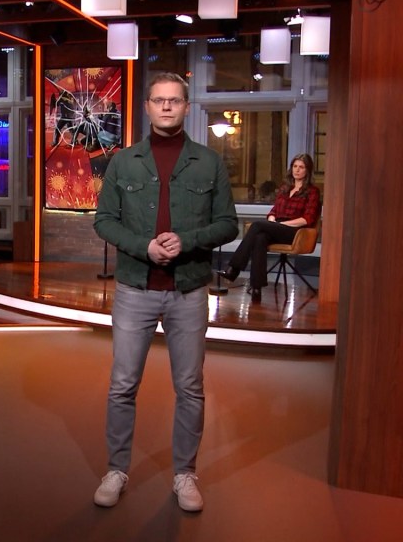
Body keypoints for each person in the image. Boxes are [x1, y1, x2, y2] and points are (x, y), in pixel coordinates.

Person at [92, 72, 238, 512]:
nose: (167, 106)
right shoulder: (124, 162)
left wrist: (187, 241)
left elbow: (228, 224)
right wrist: (145, 247)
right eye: (159, 100)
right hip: (135, 289)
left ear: (186, 107)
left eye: (175, 100)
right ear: (148, 107)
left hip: (188, 290)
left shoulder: (209, 162)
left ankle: (185, 474)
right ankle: (116, 470)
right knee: (122, 385)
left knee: (190, 386)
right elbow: (104, 220)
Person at [218, 154, 321, 302]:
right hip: (277, 227)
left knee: (257, 225)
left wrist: (281, 224)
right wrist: (272, 219)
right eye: (295, 166)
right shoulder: (285, 188)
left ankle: (234, 268)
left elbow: (307, 219)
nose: (297, 170)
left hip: (295, 231)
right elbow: (273, 211)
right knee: (260, 238)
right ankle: (256, 288)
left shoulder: (312, 191)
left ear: (307, 170)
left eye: (301, 167)